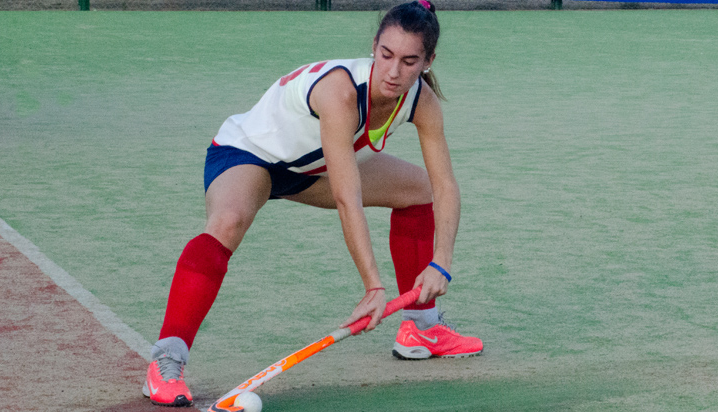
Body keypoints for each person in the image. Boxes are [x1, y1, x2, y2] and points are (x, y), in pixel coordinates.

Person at [142, 1, 483, 407]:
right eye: (386, 55)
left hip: (310, 169)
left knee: (419, 189)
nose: (394, 71)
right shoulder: (340, 91)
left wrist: (441, 261)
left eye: (409, 62)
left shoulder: (421, 101)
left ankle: (422, 328)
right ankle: (166, 360)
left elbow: (445, 185)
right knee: (228, 222)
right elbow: (347, 196)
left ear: (428, 61)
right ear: (374, 46)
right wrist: (373, 286)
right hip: (249, 156)